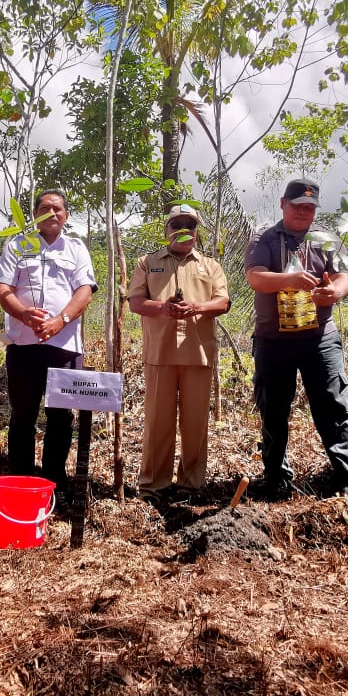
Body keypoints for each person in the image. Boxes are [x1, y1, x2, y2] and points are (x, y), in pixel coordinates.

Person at [244, 178, 348, 500]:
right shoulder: (263, 239)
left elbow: (343, 277)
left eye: (309, 207)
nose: (303, 212)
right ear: (283, 203)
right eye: (297, 205)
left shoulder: (327, 241)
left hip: (320, 339)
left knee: (334, 407)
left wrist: (333, 292)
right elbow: (255, 276)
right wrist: (290, 279)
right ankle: (275, 478)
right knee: (273, 409)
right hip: (274, 340)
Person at [0, 189, 97, 498]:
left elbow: (84, 291)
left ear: (66, 215)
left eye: (57, 209)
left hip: (64, 345)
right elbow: (3, 289)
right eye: (44, 208)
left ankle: (54, 478)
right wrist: (24, 314)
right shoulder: (17, 245)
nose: (51, 213)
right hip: (23, 345)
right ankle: (20, 478)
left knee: (61, 415)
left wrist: (59, 321)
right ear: (35, 214)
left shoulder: (77, 249)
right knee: (23, 413)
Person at [126, 204, 230, 501]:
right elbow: (135, 302)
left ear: (197, 233)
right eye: (177, 225)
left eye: (190, 225)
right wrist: (163, 308)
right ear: (167, 230)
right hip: (160, 354)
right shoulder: (147, 262)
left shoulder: (210, 266)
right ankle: (153, 485)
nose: (184, 230)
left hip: (198, 354)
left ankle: (191, 485)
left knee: (195, 424)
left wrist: (196, 306)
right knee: (158, 422)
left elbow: (222, 303)